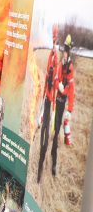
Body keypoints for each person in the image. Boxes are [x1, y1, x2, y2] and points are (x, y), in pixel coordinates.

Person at [37, 26, 61, 182]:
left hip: (54, 103)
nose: (53, 43)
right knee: (43, 130)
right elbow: (47, 76)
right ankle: (41, 154)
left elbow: (55, 79)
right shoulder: (52, 57)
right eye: (52, 40)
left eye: (55, 40)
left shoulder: (58, 58)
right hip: (47, 100)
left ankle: (49, 161)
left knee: (51, 135)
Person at [49, 35, 75, 176]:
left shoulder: (70, 67)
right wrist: (57, 83)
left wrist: (69, 110)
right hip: (54, 100)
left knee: (58, 130)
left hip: (61, 103)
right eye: (64, 50)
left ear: (69, 51)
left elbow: (71, 91)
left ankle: (54, 163)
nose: (64, 52)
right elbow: (56, 77)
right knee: (52, 128)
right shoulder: (61, 64)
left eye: (66, 50)